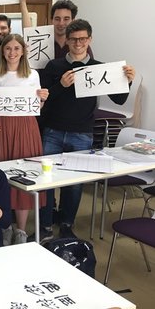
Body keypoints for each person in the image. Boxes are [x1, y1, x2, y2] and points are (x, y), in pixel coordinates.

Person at [37, 19, 135, 241]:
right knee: (46, 181)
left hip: (82, 133)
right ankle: (44, 224)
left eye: (82, 39)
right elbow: (45, 101)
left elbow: (119, 100)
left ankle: (67, 224)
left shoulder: (101, 68)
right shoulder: (54, 66)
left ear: (89, 39)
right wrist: (60, 86)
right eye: (73, 39)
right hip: (53, 130)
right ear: (67, 41)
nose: (78, 43)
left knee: (74, 184)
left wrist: (127, 81)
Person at [0, 34, 49, 245]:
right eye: (8, 49)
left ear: (23, 51)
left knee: (24, 175)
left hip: (25, 127)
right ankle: (5, 225)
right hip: (1, 128)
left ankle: (21, 230)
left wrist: (42, 100)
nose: (12, 53)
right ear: (2, 52)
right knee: (1, 177)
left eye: (16, 49)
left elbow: (36, 107)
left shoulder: (32, 75)